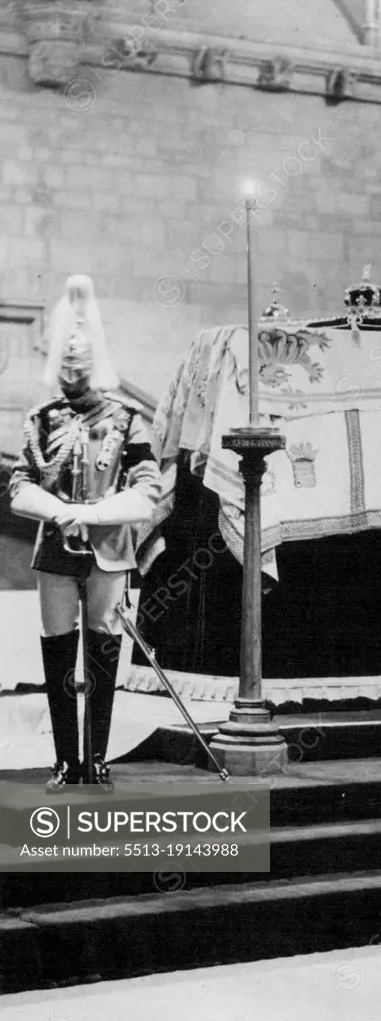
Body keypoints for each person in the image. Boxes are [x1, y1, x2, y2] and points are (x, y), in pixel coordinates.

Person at [10, 276, 161, 793]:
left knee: (102, 648)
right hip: (54, 547)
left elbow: (148, 488)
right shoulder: (42, 417)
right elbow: (20, 485)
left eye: (81, 357)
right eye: (65, 358)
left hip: (107, 549)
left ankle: (96, 759)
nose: (73, 366)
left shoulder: (124, 418)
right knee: (57, 650)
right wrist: (59, 513)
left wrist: (92, 516)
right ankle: (64, 760)